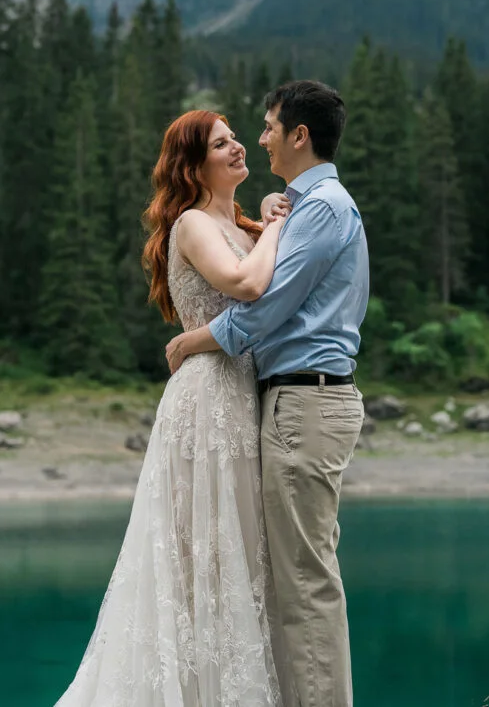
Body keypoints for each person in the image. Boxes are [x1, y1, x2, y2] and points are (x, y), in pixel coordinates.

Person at [54, 109, 291, 706]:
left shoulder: (239, 225)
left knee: (239, 549)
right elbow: (245, 286)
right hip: (206, 400)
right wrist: (278, 230)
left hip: (243, 395)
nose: (239, 147)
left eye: (238, 137)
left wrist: (266, 220)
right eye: (221, 143)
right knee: (201, 552)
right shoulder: (191, 223)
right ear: (194, 165)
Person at [165, 80, 370, 707]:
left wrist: (192, 341)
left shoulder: (322, 207)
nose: (259, 140)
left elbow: (264, 305)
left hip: (305, 403)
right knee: (277, 579)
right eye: (229, 138)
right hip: (285, 402)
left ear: (299, 135)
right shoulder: (290, 209)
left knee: (302, 585)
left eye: (267, 127)